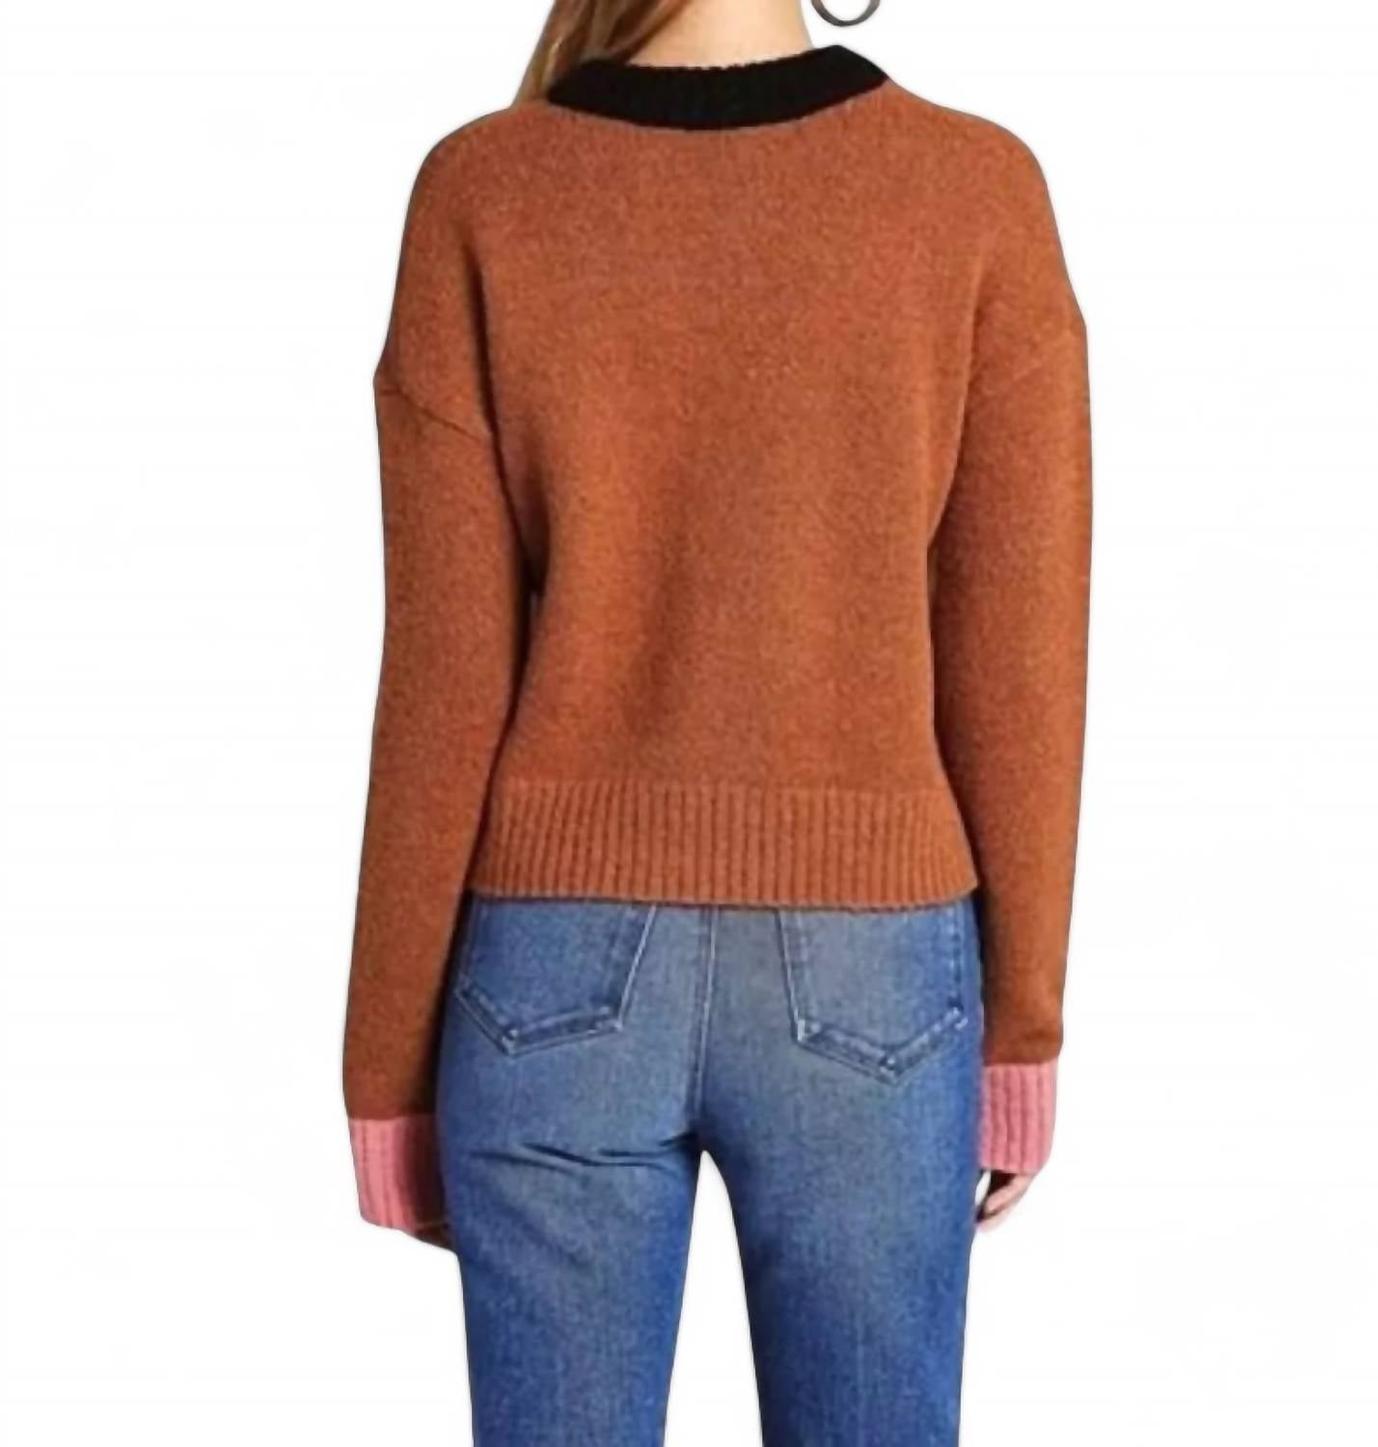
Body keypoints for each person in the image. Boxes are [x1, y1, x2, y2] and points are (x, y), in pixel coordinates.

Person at [341, 0, 1091, 1440]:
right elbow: (1021, 655)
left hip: (548, 973)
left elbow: (440, 673)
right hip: (875, 968)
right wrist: (1024, 1029)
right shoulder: (974, 190)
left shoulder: (485, 189)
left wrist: (385, 1063)